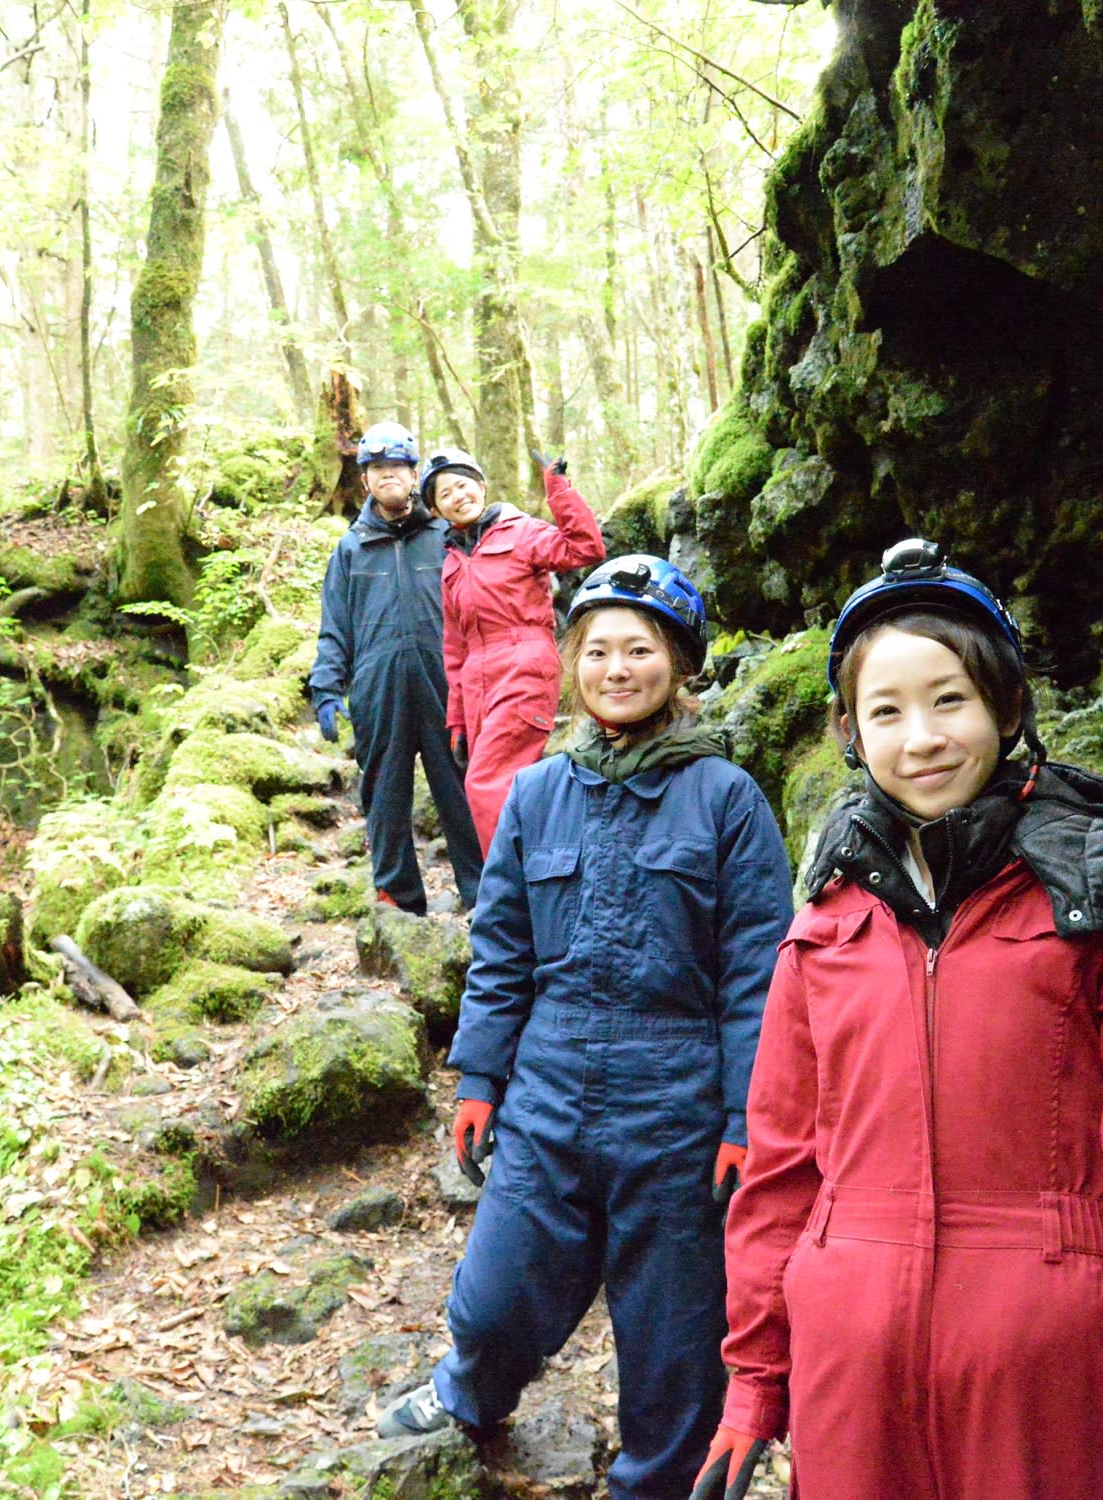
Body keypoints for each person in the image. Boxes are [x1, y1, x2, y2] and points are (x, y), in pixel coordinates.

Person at [695, 539, 1103, 1500]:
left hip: (1049, 1381)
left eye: (950, 700)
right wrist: (754, 1384)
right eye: (887, 712)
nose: (923, 739)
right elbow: (782, 1172)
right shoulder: (823, 927)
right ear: (851, 736)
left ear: (1009, 705)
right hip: (849, 1384)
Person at [375, 554, 794, 1500]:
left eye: (639, 650)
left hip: (677, 1094)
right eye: (597, 649)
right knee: (493, 1295)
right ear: (571, 663)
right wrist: (480, 1078)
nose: (616, 668)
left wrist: (744, 1119)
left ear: (678, 665)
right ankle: (467, 1395)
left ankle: (655, 1482)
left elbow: (758, 977)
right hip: (551, 1081)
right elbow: (504, 950)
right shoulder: (536, 792)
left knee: (674, 1332)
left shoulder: (728, 799)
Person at [309, 420, 482, 916]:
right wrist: (326, 689)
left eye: (398, 467)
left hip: (444, 685)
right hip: (377, 689)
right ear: (365, 480)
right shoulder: (351, 549)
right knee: (384, 795)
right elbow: (334, 627)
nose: (389, 476)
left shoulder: (446, 536)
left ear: (414, 474)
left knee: (458, 787)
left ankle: (481, 894)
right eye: (378, 468)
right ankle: (398, 901)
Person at [420, 445, 607, 852]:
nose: (458, 496)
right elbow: (455, 649)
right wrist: (458, 723)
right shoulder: (451, 564)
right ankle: (537, 876)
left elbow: (585, 548)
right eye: (445, 494)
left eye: (463, 485)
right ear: (436, 511)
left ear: (482, 486)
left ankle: (510, 893)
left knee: (488, 782)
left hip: (524, 663)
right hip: (476, 683)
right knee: (504, 783)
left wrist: (557, 488)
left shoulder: (520, 531)